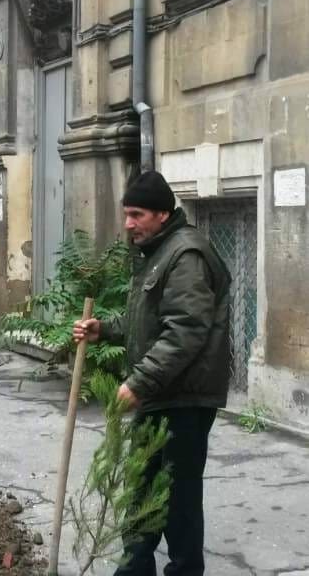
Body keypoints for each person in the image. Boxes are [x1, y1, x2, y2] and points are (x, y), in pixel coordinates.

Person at [72, 170, 231, 576]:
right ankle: (135, 569)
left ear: (162, 214)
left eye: (137, 215)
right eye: (126, 214)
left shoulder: (186, 256)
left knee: (177, 496)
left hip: (185, 398)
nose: (128, 224)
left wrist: (139, 382)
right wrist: (105, 329)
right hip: (164, 392)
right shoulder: (159, 252)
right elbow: (150, 319)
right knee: (142, 485)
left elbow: (185, 331)